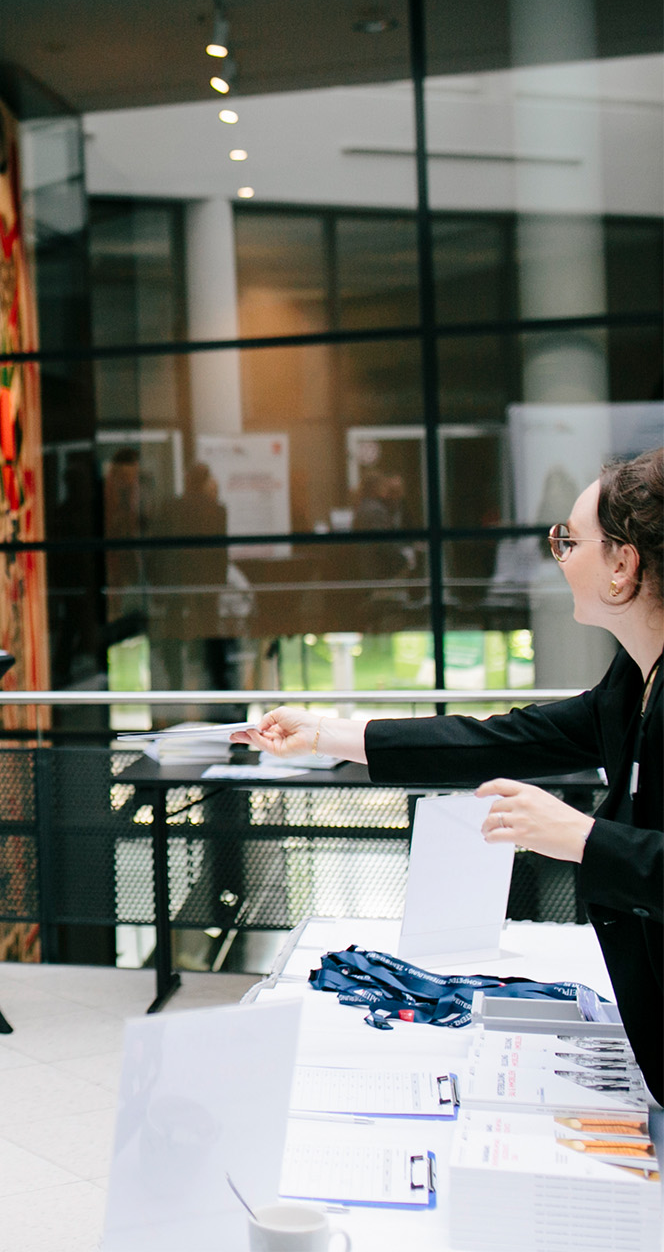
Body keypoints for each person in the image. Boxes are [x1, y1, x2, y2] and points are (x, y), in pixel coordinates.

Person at [237, 447, 663, 1102]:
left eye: (569, 540)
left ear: (622, 566)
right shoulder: (631, 681)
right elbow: (501, 739)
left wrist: (581, 839)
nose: (559, 555)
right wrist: (330, 734)